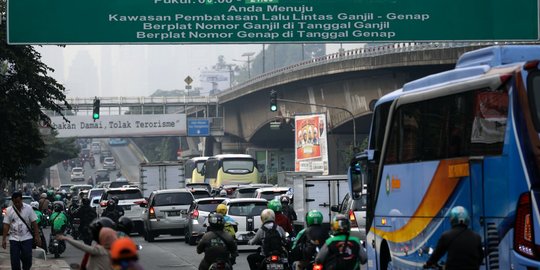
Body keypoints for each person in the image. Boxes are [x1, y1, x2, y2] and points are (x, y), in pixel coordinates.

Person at [1, 191, 41, 270]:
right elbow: (6, 225)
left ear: (21, 200)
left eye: (18, 202)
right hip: (14, 238)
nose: (17, 204)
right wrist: (4, 239)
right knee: (14, 260)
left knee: (27, 258)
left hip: (27, 238)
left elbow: (34, 223)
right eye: (15, 202)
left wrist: (37, 236)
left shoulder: (29, 208)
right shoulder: (7, 210)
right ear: (12, 201)